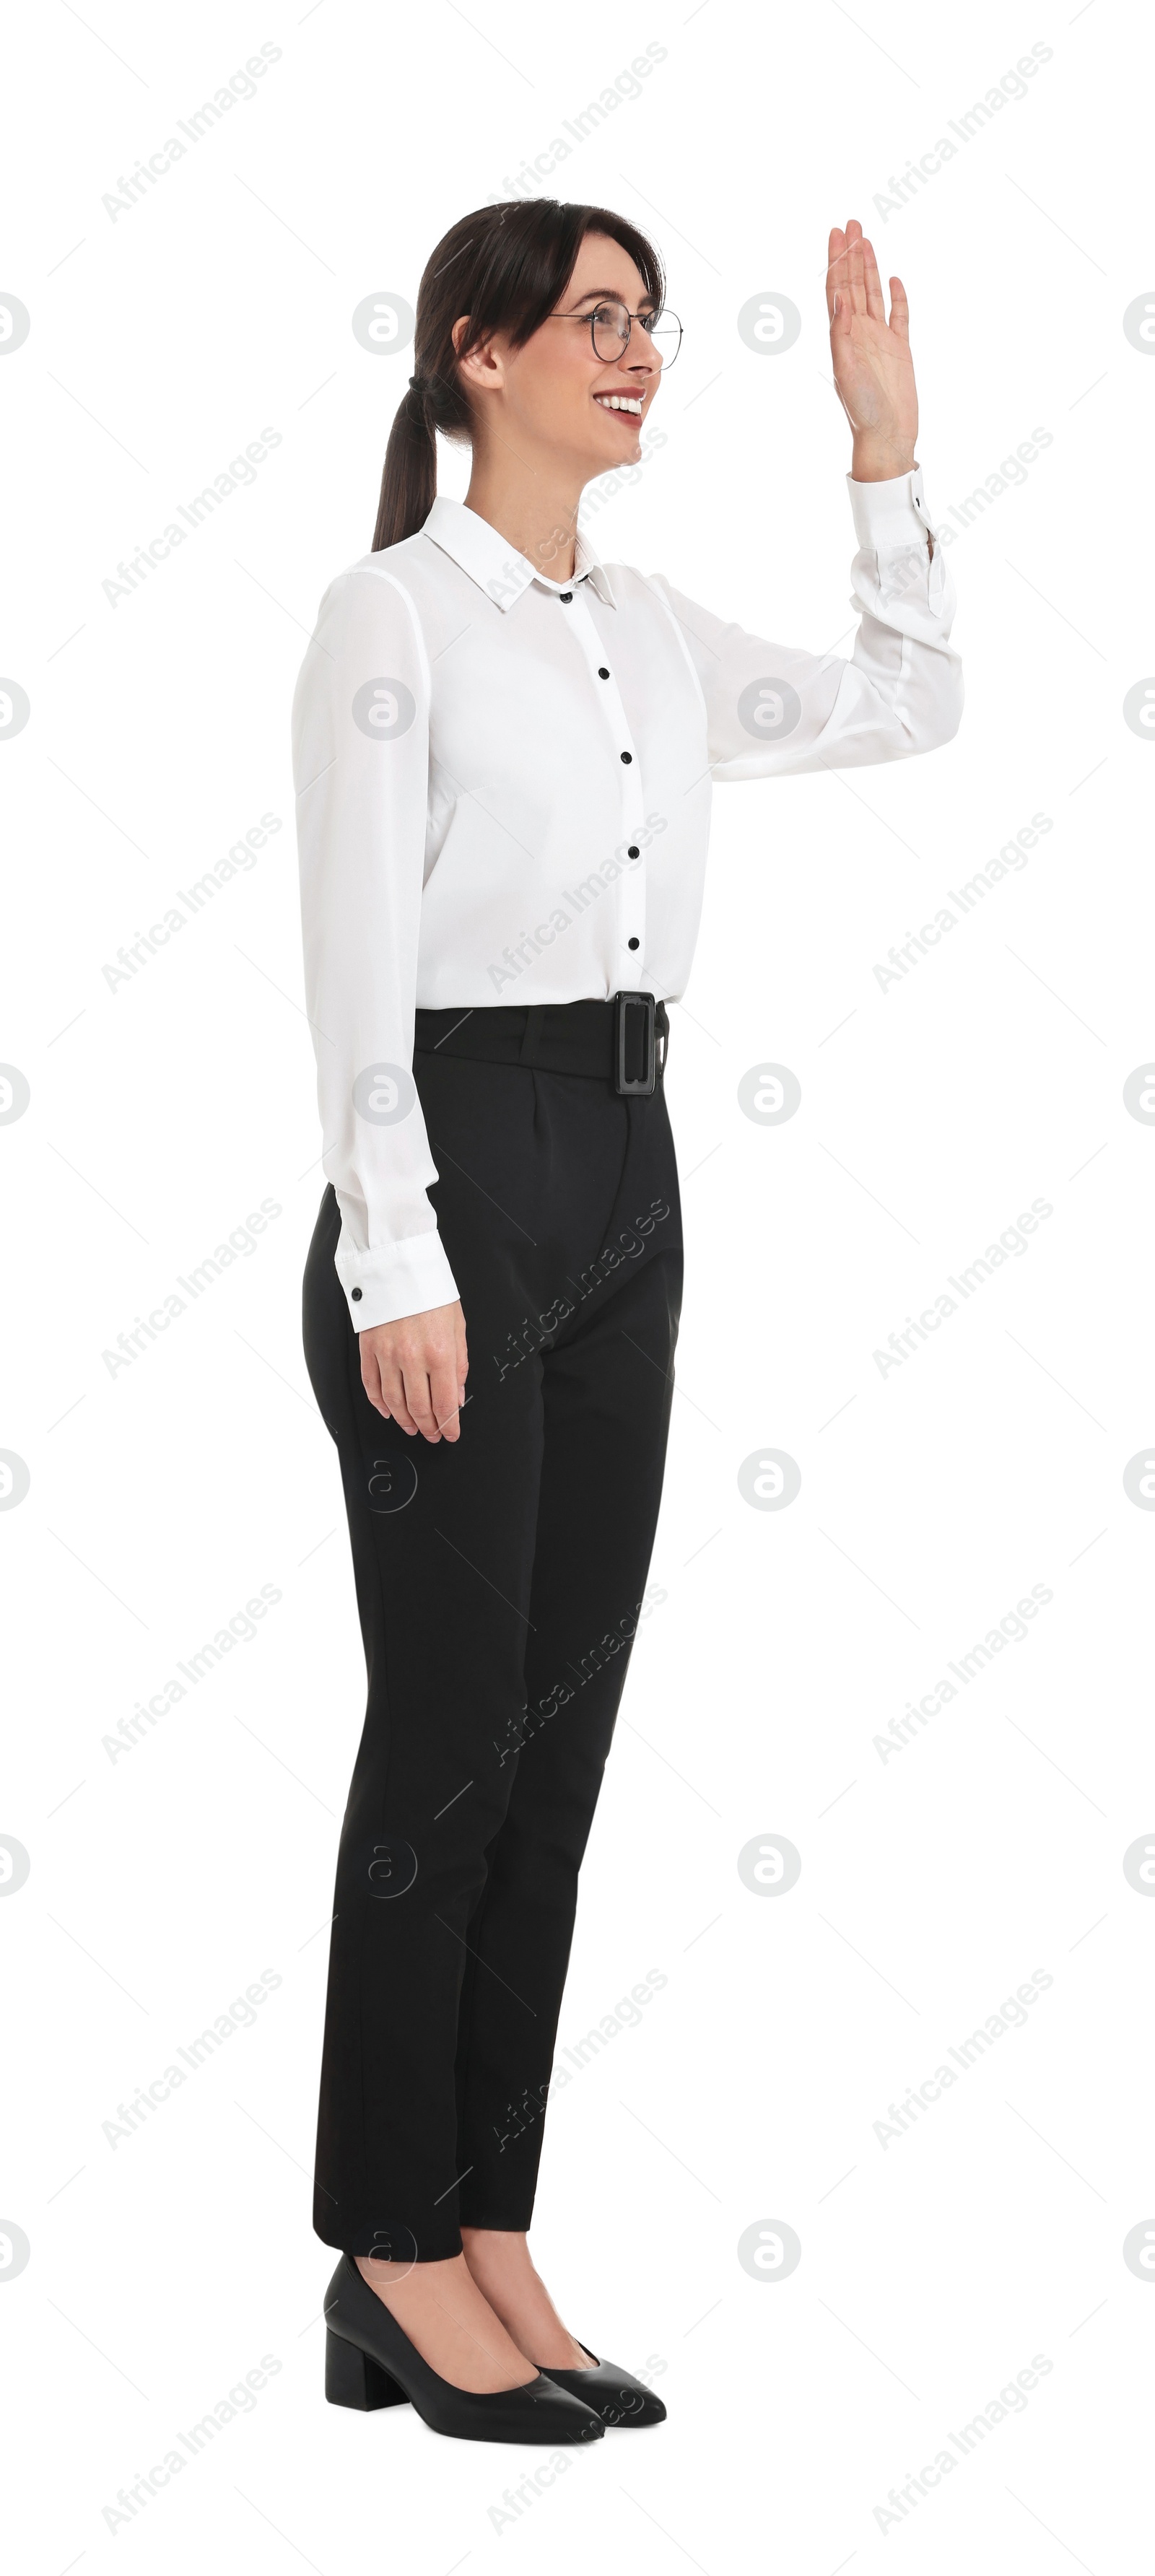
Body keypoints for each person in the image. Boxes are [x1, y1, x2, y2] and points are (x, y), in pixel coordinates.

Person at [293, 197, 962, 2445]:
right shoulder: (390, 616)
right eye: (597, 318)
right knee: (451, 1742)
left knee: (553, 1760)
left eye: (654, 322)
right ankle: (383, 2248)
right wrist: (401, 1255)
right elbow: (356, 962)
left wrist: (881, 445)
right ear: (475, 352)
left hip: (631, 1177)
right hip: (460, 1179)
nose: (642, 350)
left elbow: (909, 703)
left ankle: (488, 2222)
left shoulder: (653, 629)